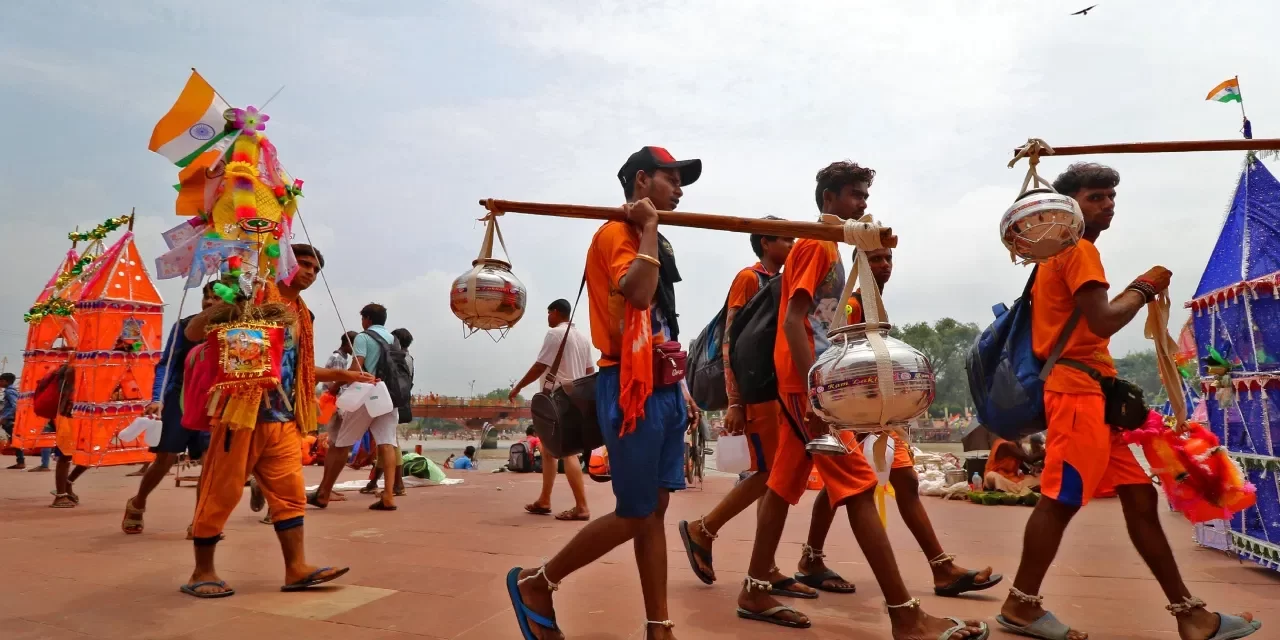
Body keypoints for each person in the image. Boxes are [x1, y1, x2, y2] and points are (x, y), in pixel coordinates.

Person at [997, 163, 1260, 639]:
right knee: (1060, 500)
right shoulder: (1075, 250)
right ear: (1068, 207)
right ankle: (1021, 605)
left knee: (1140, 498)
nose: (1108, 205)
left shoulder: (1059, 257)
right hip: (1077, 396)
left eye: (1111, 197)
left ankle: (1190, 613)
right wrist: (1143, 287)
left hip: (1093, 396)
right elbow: (1102, 321)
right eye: (1097, 197)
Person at [735, 161, 985, 638]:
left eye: (865, 196)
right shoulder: (815, 243)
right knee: (860, 486)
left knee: (783, 484)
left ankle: (753, 587)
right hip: (809, 387)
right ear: (829, 200)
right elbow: (794, 320)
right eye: (853, 195)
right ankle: (905, 614)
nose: (862, 204)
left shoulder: (836, 250)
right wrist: (816, 391)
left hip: (812, 385)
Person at [510, 146, 701, 640]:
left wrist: (683, 390)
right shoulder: (617, 234)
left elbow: (663, 322)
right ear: (642, 181)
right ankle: (539, 581)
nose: (680, 189)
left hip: (664, 385)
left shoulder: (648, 237)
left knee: (653, 511)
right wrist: (652, 228)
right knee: (635, 512)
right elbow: (636, 293)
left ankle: (659, 625)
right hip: (630, 386)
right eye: (671, 178)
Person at [793, 246, 1000, 599]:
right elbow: (838, 356)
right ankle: (934, 570)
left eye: (888, 258)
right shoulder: (851, 306)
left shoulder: (876, 307)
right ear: (860, 264)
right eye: (875, 259)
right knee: (854, 485)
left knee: (896, 481)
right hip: (855, 411)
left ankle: (940, 567)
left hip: (880, 413)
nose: (884, 265)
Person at [182, 244, 369, 598]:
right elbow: (193, 333)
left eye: (316, 268)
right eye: (304, 264)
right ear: (282, 262)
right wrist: (229, 304)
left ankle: (296, 568)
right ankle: (201, 571)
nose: (311, 272)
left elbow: (298, 368)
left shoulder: (301, 313)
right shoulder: (251, 294)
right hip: (240, 414)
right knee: (220, 493)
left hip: (282, 417)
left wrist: (346, 377)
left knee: (291, 495)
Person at [678, 218, 794, 584]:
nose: (792, 245)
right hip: (755, 390)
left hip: (776, 389)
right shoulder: (749, 278)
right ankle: (704, 528)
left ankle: (766, 565)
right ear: (765, 242)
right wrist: (735, 400)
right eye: (786, 239)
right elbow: (731, 342)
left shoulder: (783, 281)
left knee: (776, 477)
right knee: (769, 473)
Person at [122, 281, 221, 535]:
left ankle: (200, 521)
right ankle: (137, 502)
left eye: (216, 297)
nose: (209, 302)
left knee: (210, 462)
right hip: (181, 399)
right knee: (165, 459)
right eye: (206, 297)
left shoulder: (236, 331)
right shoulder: (184, 326)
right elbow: (166, 365)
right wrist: (158, 398)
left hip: (215, 402)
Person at [310, 303, 402, 511]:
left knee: (341, 444)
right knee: (387, 443)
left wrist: (334, 387)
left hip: (365, 394)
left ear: (367, 318)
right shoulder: (393, 340)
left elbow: (355, 368)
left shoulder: (363, 337)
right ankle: (388, 496)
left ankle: (324, 493)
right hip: (389, 396)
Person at [510, 298, 594, 521]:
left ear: (556, 313)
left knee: (567, 452)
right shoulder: (583, 339)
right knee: (548, 450)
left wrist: (518, 387)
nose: (548, 317)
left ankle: (582, 506)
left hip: (558, 399)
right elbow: (589, 371)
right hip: (576, 397)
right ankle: (544, 500)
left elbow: (540, 366)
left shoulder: (555, 334)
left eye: (549, 313)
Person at [1, 372, 22, 469]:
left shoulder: (9, 392)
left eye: (1, 381)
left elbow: (15, 406)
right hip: (9, 419)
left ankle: (21, 461)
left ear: (5, 381)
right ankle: (20, 461)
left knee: (15, 440)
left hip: (9, 420)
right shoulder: (12, 391)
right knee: (14, 440)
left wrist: (4, 417)